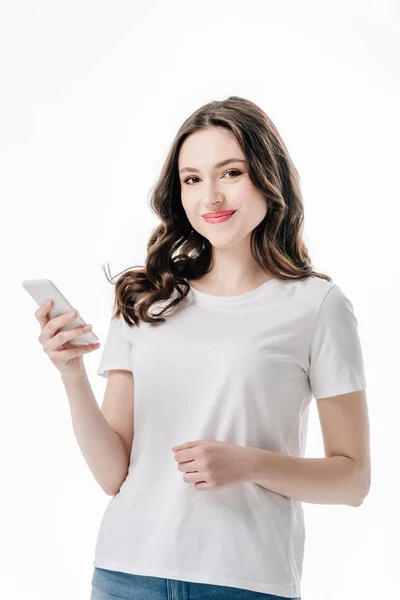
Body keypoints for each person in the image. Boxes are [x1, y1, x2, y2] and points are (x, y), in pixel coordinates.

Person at [40, 96, 368, 600]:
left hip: (245, 582)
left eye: (230, 172)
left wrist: (251, 464)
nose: (210, 195)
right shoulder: (147, 299)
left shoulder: (317, 305)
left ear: (267, 176)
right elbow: (113, 475)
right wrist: (71, 374)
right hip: (126, 574)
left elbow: (352, 480)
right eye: (192, 179)